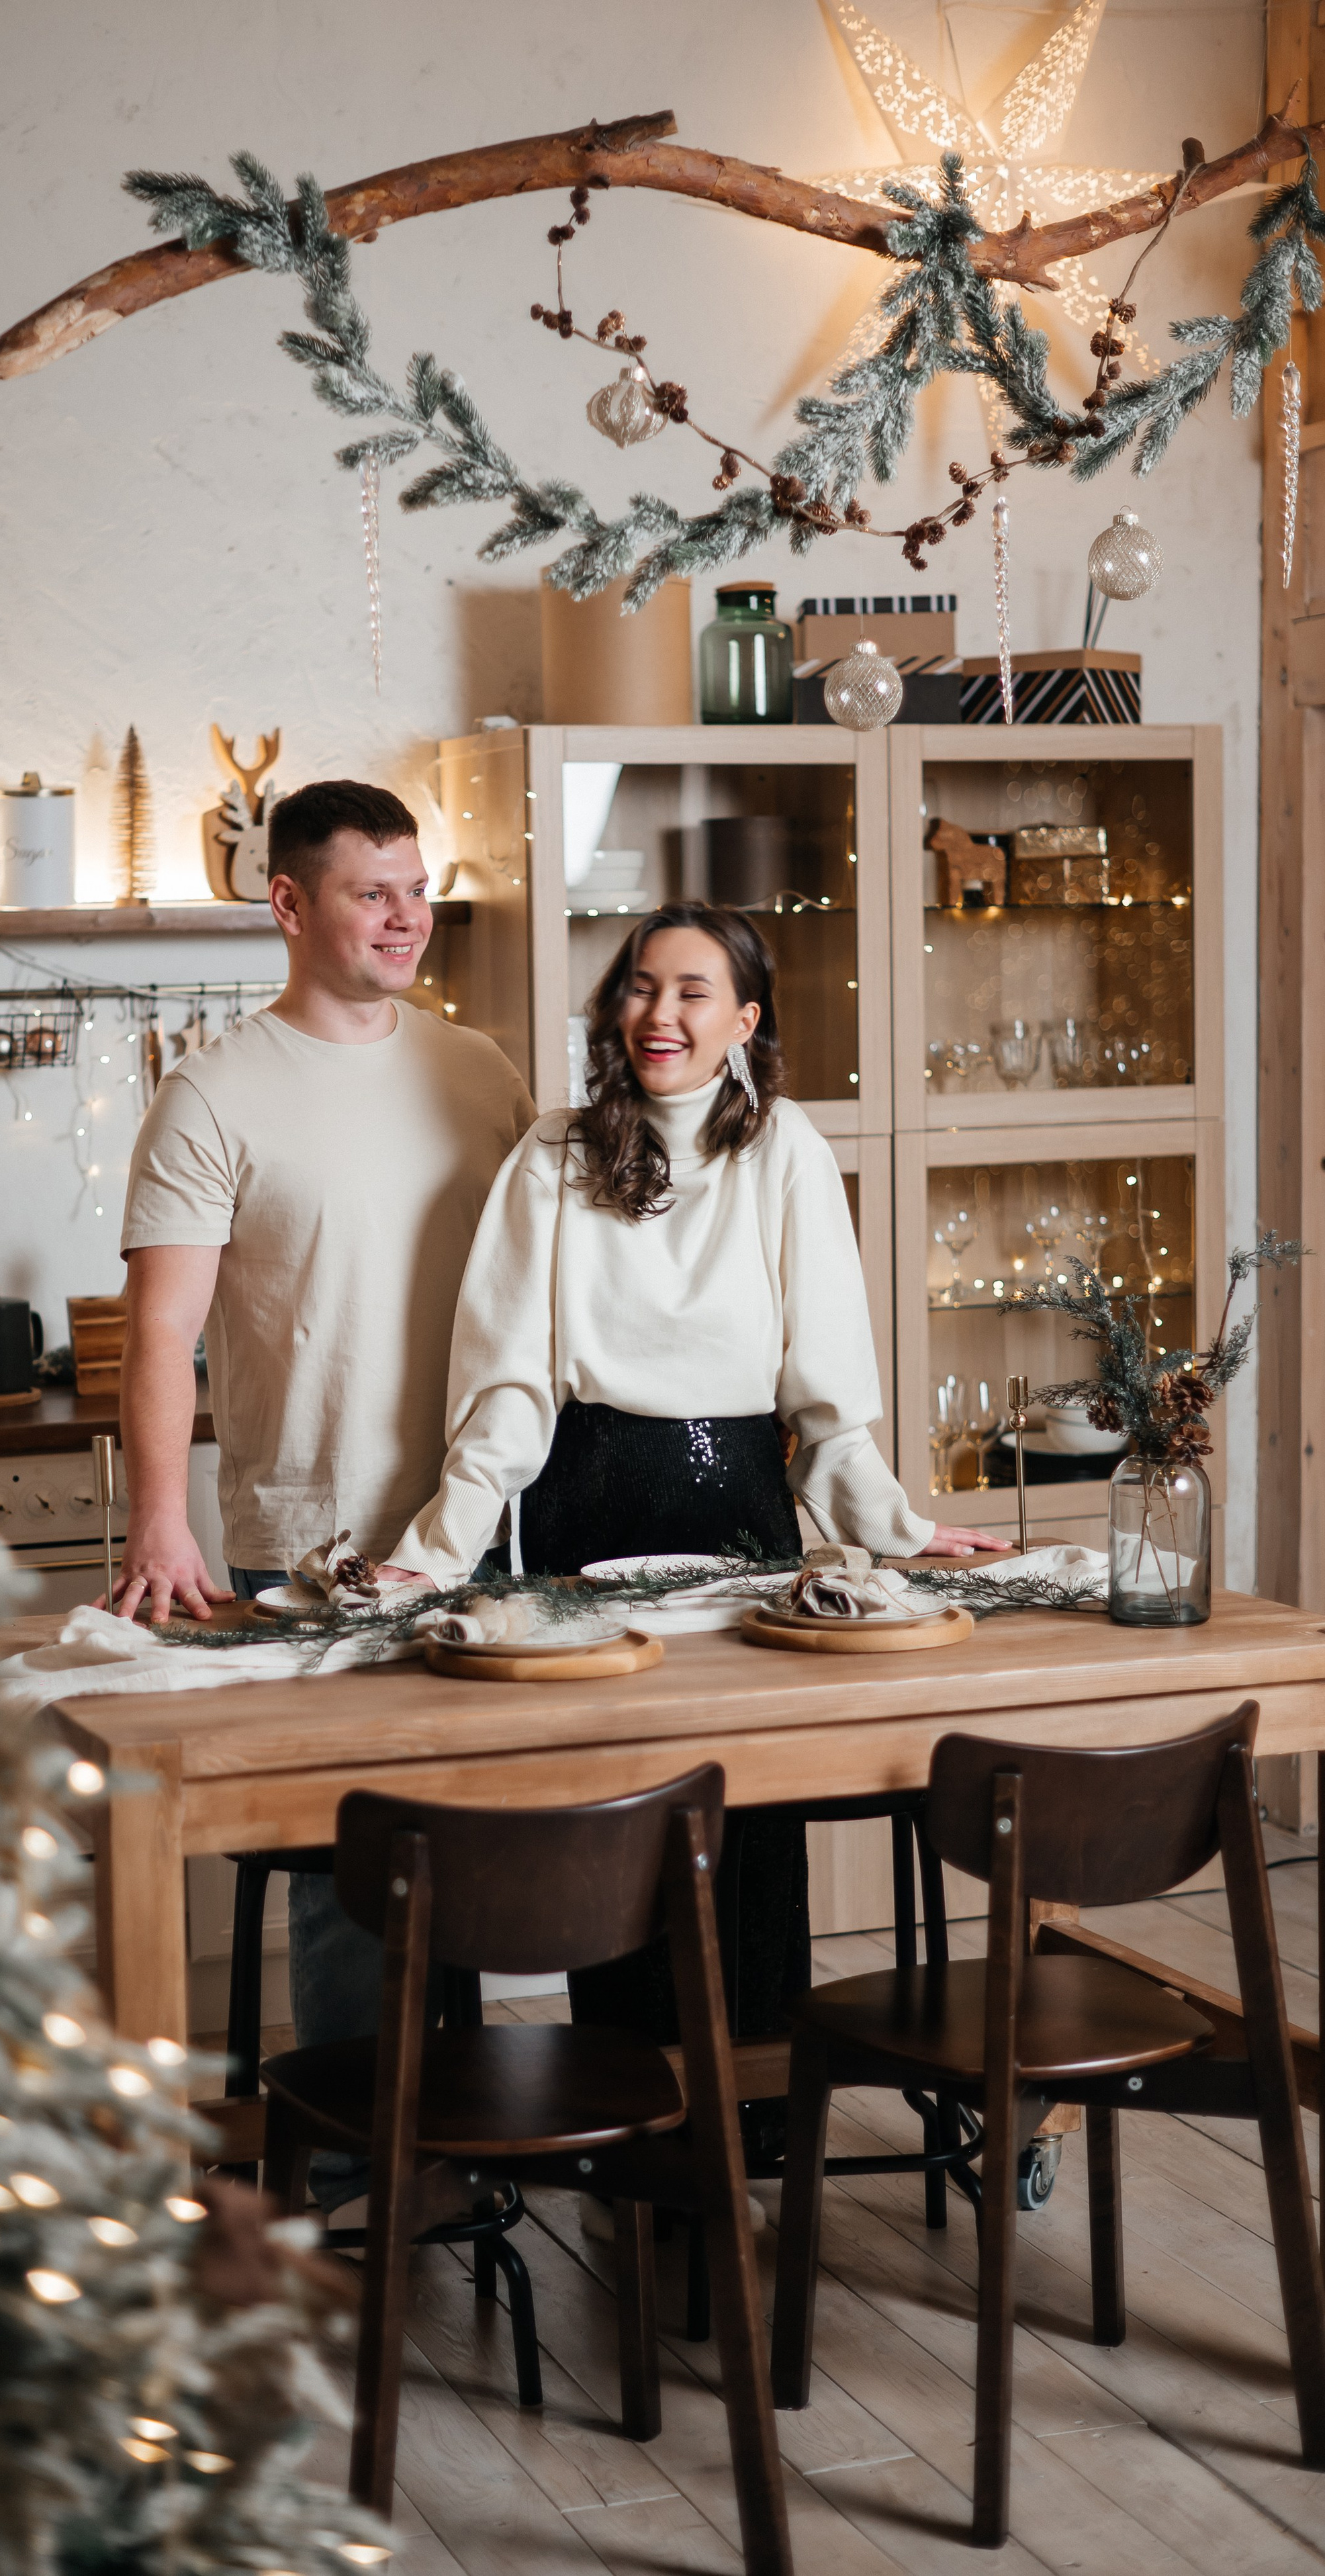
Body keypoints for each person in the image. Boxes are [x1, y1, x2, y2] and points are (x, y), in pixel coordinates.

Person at [389, 901, 1001, 2070]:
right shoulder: (554, 1154)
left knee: (748, 1809)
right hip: (581, 1507)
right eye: (639, 987)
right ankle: (622, 2113)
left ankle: (760, 2105)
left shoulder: (786, 1150)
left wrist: (897, 1529)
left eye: (691, 991)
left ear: (744, 1020)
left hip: (740, 1516)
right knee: (609, 1812)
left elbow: (822, 1399)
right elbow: (509, 1394)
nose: (658, 1013)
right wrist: (434, 1549)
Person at [113, 777, 533, 2200]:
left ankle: (470, 2138)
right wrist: (163, 1515)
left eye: (415, 887)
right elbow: (161, 1330)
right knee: (350, 1871)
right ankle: (368, 2167)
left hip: (480, 1531)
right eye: (371, 891)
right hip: (306, 1540)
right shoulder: (212, 1089)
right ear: (286, 904)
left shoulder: (478, 1070)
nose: (405, 916)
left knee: (471, 1843)